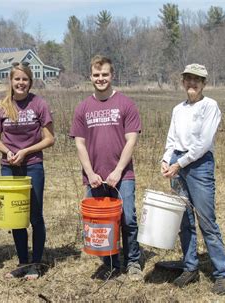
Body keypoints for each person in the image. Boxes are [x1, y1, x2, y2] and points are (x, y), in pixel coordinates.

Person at [69, 55, 143, 281]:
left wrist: (118, 171)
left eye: (105, 74)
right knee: (102, 222)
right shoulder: (83, 108)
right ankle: (111, 262)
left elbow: (131, 140)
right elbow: (79, 143)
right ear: (90, 76)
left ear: (112, 75)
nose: (101, 79)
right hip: (94, 177)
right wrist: (90, 173)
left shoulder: (126, 104)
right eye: (96, 75)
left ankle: (133, 262)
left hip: (123, 175)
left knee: (128, 218)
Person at [161, 64, 225, 295]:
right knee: (184, 219)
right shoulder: (177, 109)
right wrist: (166, 159)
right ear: (183, 82)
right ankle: (190, 266)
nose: (192, 83)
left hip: (199, 165)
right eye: (188, 79)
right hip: (177, 164)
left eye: (197, 80)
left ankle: (222, 273)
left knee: (206, 220)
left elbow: (202, 144)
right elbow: (172, 138)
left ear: (204, 83)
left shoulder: (210, 106)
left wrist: (179, 164)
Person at [0, 62, 55, 280]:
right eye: (17, 79)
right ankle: (22, 262)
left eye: (25, 79)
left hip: (33, 165)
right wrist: (8, 152)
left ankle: (36, 263)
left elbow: (50, 139)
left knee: (35, 215)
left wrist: (26, 151)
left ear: (30, 81)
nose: (21, 83)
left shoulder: (39, 104)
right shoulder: (0, 107)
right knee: (16, 216)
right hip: (9, 167)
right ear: (11, 81)